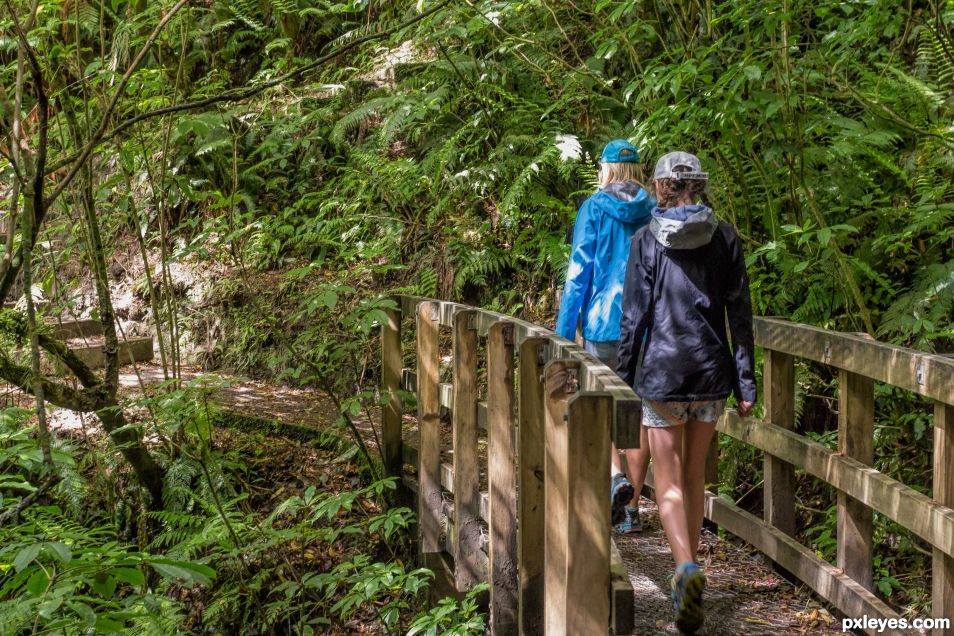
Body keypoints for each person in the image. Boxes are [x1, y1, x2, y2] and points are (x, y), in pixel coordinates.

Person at [616, 151, 756, 634]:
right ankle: (690, 563)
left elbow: (634, 319)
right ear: (700, 186)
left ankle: (684, 568)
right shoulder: (726, 238)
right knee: (694, 475)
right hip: (711, 374)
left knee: (669, 481)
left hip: (662, 377)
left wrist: (621, 377)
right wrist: (746, 381)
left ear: (659, 188)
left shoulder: (645, 242)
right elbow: (739, 316)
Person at [554, 138, 654, 534]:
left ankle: (615, 478)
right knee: (644, 414)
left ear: (607, 169)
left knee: (602, 409)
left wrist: (563, 337)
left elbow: (579, 273)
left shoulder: (594, 208)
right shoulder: (654, 209)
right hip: (646, 326)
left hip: (602, 323)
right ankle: (631, 507)